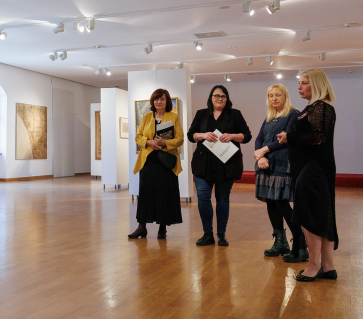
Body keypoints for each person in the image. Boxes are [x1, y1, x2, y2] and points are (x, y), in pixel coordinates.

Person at [277, 68, 338, 282]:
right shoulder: (313, 107)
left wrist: (290, 137)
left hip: (313, 169)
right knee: (321, 215)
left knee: (310, 217)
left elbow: (318, 137)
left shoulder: (322, 107)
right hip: (310, 168)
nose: (299, 87)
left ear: (317, 84)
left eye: (304, 83)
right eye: (299, 83)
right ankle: (328, 266)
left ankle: (314, 265)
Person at [187, 85, 251, 246]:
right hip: (203, 165)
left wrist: (232, 136)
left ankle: (221, 234)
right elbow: (191, 135)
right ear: (211, 98)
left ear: (227, 99)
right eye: (216, 96)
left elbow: (247, 136)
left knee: (222, 199)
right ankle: (207, 234)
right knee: (203, 198)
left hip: (226, 164)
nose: (219, 99)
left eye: (223, 96)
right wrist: (203, 135)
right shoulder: (201, 114)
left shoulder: (235, 114)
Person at [129, 88, 184, 240]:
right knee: (145, 194)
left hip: (165, 162)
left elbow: (180, 138)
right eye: (156, 99)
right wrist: (149, 142)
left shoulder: (173, 117)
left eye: (162, 99)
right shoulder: (146, 117)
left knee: (164, 195)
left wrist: (165, 142)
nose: (159, 102)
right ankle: (141, 228)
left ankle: (162, 228)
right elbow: (138, 136)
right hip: (148, 162)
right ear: (153, 101)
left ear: (167, 102)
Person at [253, 84, 300, 257]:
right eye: (271, 95)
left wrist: (263, 151)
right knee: (271, 203)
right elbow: (259, 139)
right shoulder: (269, 117)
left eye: (278, 95)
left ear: (285, 96)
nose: (274, 98)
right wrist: (260, 157)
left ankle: (300, 241)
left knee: (282, 203)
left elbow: (286, 139)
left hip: (282, 165)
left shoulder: (293, 114)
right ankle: (280, 242)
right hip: (266, 165)